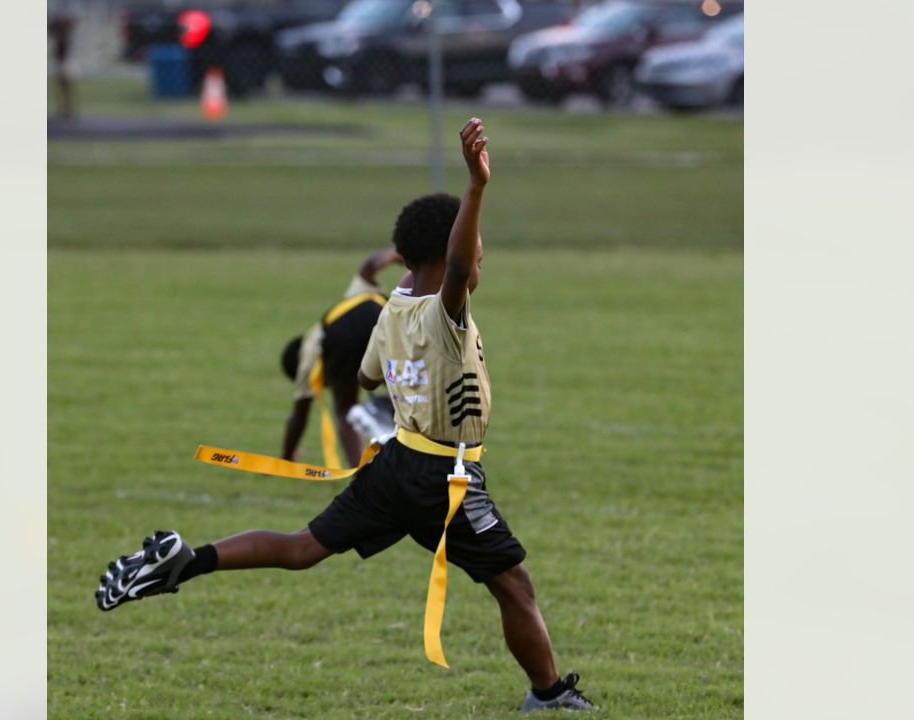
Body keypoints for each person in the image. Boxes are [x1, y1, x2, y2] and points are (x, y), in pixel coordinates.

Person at [95, 118, 595, 713]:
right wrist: (476, 188)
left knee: (304, 547)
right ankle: (548, 694)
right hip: (446, 480)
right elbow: (457, 269)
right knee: (513, 585)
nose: (479, 262)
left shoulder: (393, 310)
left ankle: (187, 562)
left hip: (397, 465)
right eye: (476, 252)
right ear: (446, 261)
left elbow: (364, 378)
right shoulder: (443, 311)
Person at [279, 248, 404, 466]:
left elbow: (298, 417)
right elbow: (368, 268)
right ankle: (383, 409)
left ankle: (361, 470)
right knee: (405, 388)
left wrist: (287, 457)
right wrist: (394, 254)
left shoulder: (307, 360)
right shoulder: (347, 300)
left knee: (345, 408)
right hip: (383, 317)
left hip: (341, 338)